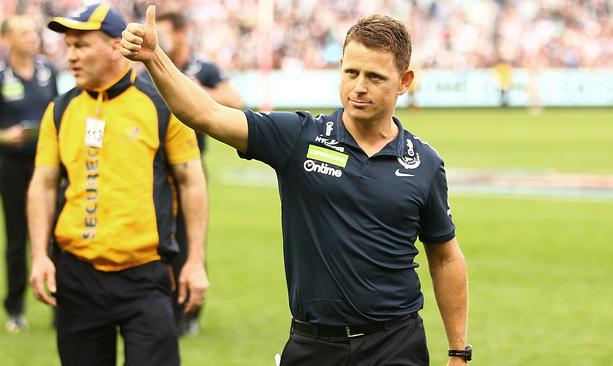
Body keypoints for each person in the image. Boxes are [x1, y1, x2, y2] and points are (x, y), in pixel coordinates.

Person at [123, 6, 470, 365]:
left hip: (397, 343)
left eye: (375, 77)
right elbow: (205, 114)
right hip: (314, 344)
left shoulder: (423, 162)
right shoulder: (299, 137)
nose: (359, 87)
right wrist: (154, 58)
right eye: (351, 72)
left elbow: (445, 257)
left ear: (404, 81)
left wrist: (459, 351)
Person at [27, 4, 208, 366]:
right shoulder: (60, 110)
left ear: (114, 46)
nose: (71, 56)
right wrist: (39, 256)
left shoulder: (161, 105)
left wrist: (195, 262)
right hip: (77, 275)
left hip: (146, 275)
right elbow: (43, 184)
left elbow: (192, 182)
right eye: (68, 47)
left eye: (81, 45)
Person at [142, 10, 243, 336]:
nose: (161, 38)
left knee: (189, 241)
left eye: (167, 33)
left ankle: (190, 313)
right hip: (155, 167)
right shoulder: (152, 65)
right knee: (155, 241)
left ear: (183, 34)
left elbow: (234, 100)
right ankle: (157, 308)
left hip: (190, 166)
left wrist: (194, 94)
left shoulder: (202, 68)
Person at [0, 14, 58, 333]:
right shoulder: (1, 75)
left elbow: (57, 111)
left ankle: (60, 303)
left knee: (56, 234)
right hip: (11, 165)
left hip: (47, 163)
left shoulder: (47, 72)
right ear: (7, 40)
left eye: (33, 33)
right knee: (17, 237)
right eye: (23, 33)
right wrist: (4, 136)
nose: (31, 38)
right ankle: (15, 308)